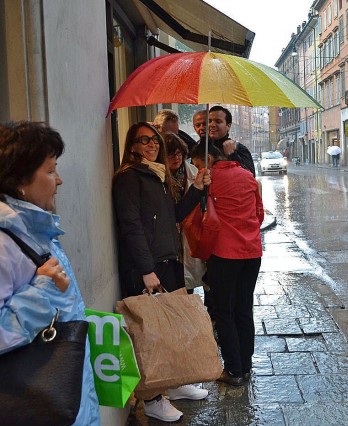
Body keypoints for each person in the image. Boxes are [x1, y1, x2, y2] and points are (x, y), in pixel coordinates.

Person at [0, 121, 101, 425]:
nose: (60, 180)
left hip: (66, 399)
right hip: (37, 404)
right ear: (20, 179)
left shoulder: (34, 230)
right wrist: (42, 291)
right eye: (50, 170)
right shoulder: (6, 242)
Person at [112, 122, 210, 422]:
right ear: (132, 146)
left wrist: (196, 189)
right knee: (151, 334)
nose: (152, 145)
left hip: (168, 261)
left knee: (172, 328)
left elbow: (176, 215)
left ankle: (176, 383)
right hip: (148, 266)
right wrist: (146, 269)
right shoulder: (129, 177)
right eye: (144, 140)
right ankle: (153, 398)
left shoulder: (159, 174)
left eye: (154, 140)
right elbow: (131, 225)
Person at [190, 142, 264, 386]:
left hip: (224, 254)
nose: (198, 169)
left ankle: (233, 370)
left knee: (224, 311)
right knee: (244, 309)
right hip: (252, 252)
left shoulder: (209, 180)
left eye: (198, 164)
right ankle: (245, 363)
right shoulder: (248, 175)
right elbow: (259, 213)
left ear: (208, 158)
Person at [163, 132, 206, 294]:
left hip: (190, 235)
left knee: (188, 286)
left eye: (179, 153)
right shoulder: (159, 178)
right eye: (171, 154)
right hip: (169, 242)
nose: (176, 158)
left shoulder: (194, 173)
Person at [199, 105, 255, 176]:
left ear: (228, 126)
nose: (212, 125)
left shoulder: (238, 149)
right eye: (209, 121)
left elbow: (250, 177)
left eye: (218, 121)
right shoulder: (202, 148)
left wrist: (232, 155)